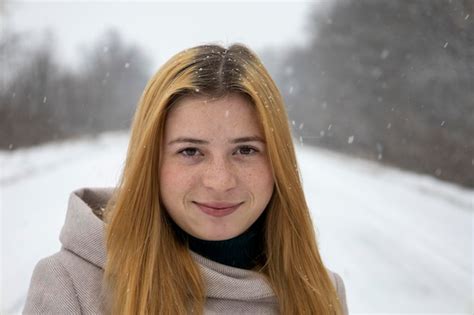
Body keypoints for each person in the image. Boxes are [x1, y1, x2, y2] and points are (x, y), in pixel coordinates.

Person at [23, 43, 349, 314]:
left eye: (246, 150)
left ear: (278, 161)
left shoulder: (320, 293)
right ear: (151, 162)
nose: (220, 181)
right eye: (191, 151)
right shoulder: (72, 286)